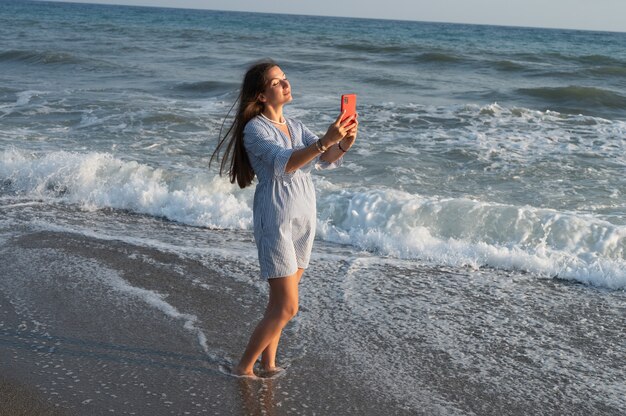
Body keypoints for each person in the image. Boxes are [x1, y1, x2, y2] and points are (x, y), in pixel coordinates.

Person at [211, 59, 358, 377]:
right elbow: (285, 162)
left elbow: (324, 160)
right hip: (275, 218)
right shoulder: (255, 129)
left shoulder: (295, 126)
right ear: (261, 95)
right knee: (288, 307)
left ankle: (269, 363)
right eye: (276, 82)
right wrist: (324, 141)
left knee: (279, 306)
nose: (285, 84)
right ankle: (243, 368)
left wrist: (343, 142)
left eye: (284, 79)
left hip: (304, 216)